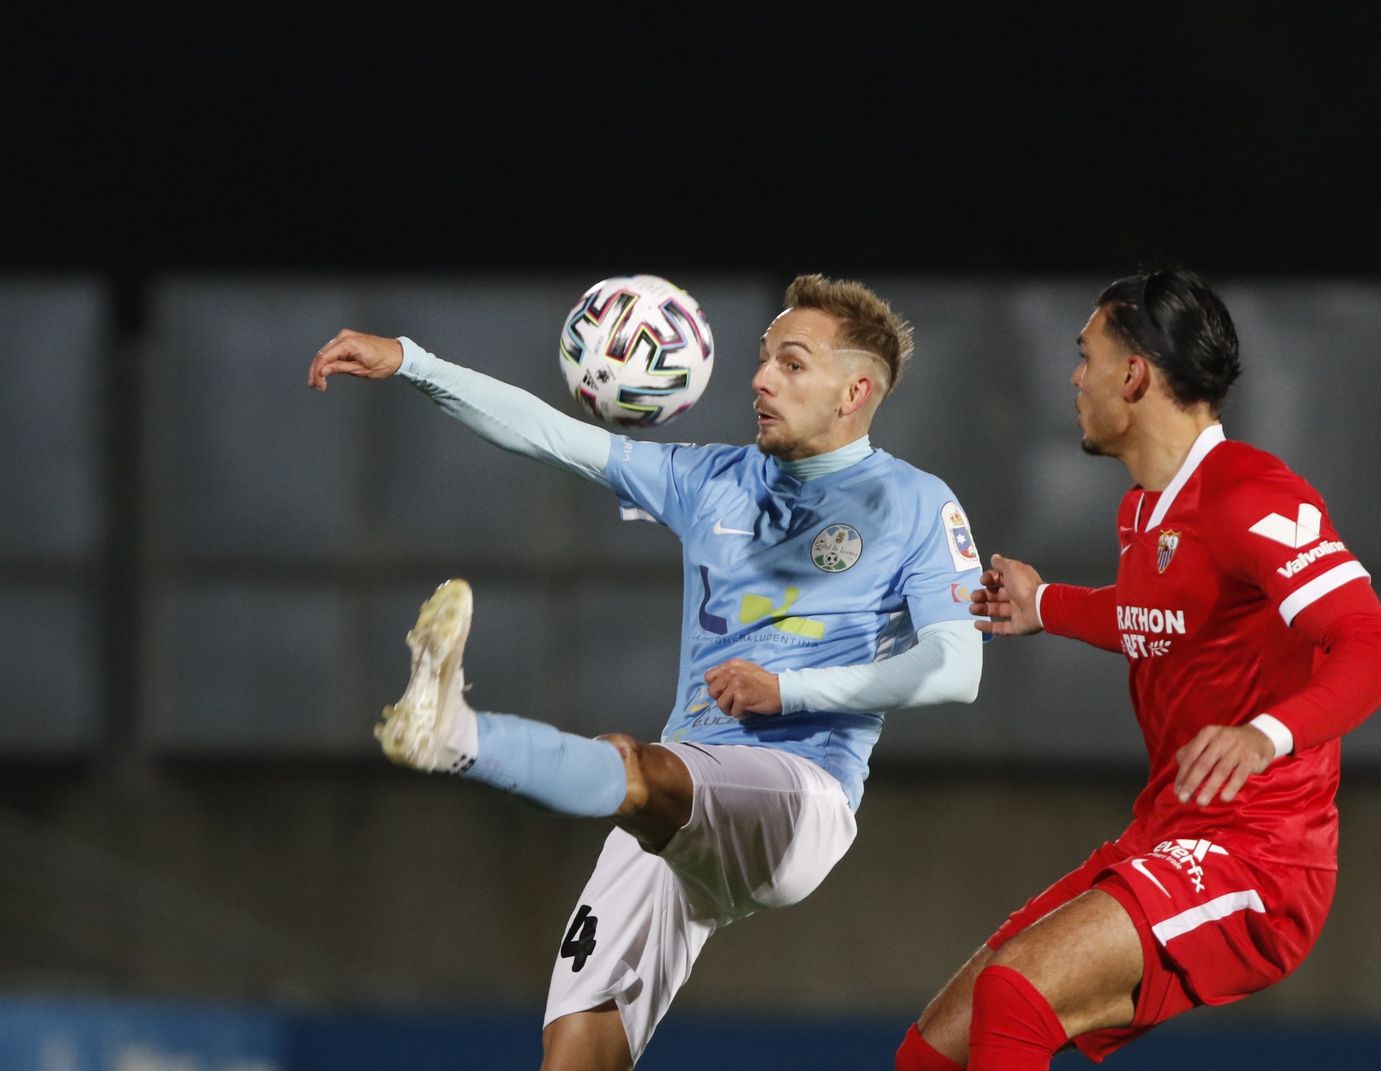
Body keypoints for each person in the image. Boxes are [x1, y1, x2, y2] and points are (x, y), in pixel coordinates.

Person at [306, 274, 984, 1070]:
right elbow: (552, 435)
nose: (761, 379)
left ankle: (459, 736)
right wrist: (415, 363)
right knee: (576, 1046)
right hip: (679, 799)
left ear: (855, 390)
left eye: (792, 364)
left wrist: (790, 690)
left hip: (799, 793)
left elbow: (955, 665)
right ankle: (459, 736)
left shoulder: (916, 502)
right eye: (764, 359)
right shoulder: (712, 479)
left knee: (638, 767)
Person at [895, 267, 1381, 1070]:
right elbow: (1158, 620)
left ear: (1134, 373)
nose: (1074, 375)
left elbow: (1378, 650)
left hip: (1262, 857)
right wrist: (1047, 606)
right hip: (1166, 834)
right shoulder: (1144, 509)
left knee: (1018, 993)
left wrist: (1263, 736)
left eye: (1086, 354)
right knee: (933, 1051)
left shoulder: (1251, 493)